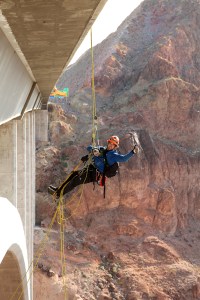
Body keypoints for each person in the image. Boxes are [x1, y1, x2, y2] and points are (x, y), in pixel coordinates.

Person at [48, 135, 139, 198]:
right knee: (73, 174)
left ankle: (57, 195)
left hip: (94, 174)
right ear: (108, 142)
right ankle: (58, 189)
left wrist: (132, 152)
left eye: (113, 144)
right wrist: (94, 150)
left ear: (115, 146)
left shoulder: (113, 155)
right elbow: (89, 147)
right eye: (110, 143)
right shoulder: (102, 149)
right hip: (91, 169)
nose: (111, 145)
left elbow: (124, 159)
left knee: (75, 181)